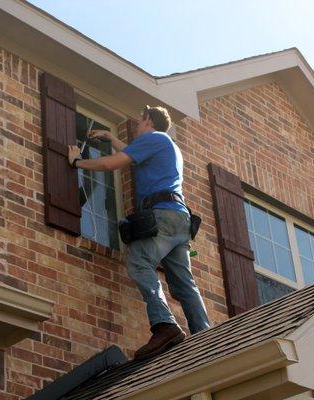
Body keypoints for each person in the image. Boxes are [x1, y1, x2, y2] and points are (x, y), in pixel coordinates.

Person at [68, 105, 210, 360]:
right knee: (184, 283)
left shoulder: (153, 139)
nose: (135, 127)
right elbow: (130, 153)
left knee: (139, 260)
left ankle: (165, 325)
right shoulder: (168, 146)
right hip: (180, 219)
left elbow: (112, 164)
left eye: (138, 121)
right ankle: (205, 336)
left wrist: (77, 161)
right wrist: (112, 138)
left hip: (162, 215)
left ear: (148, 121)